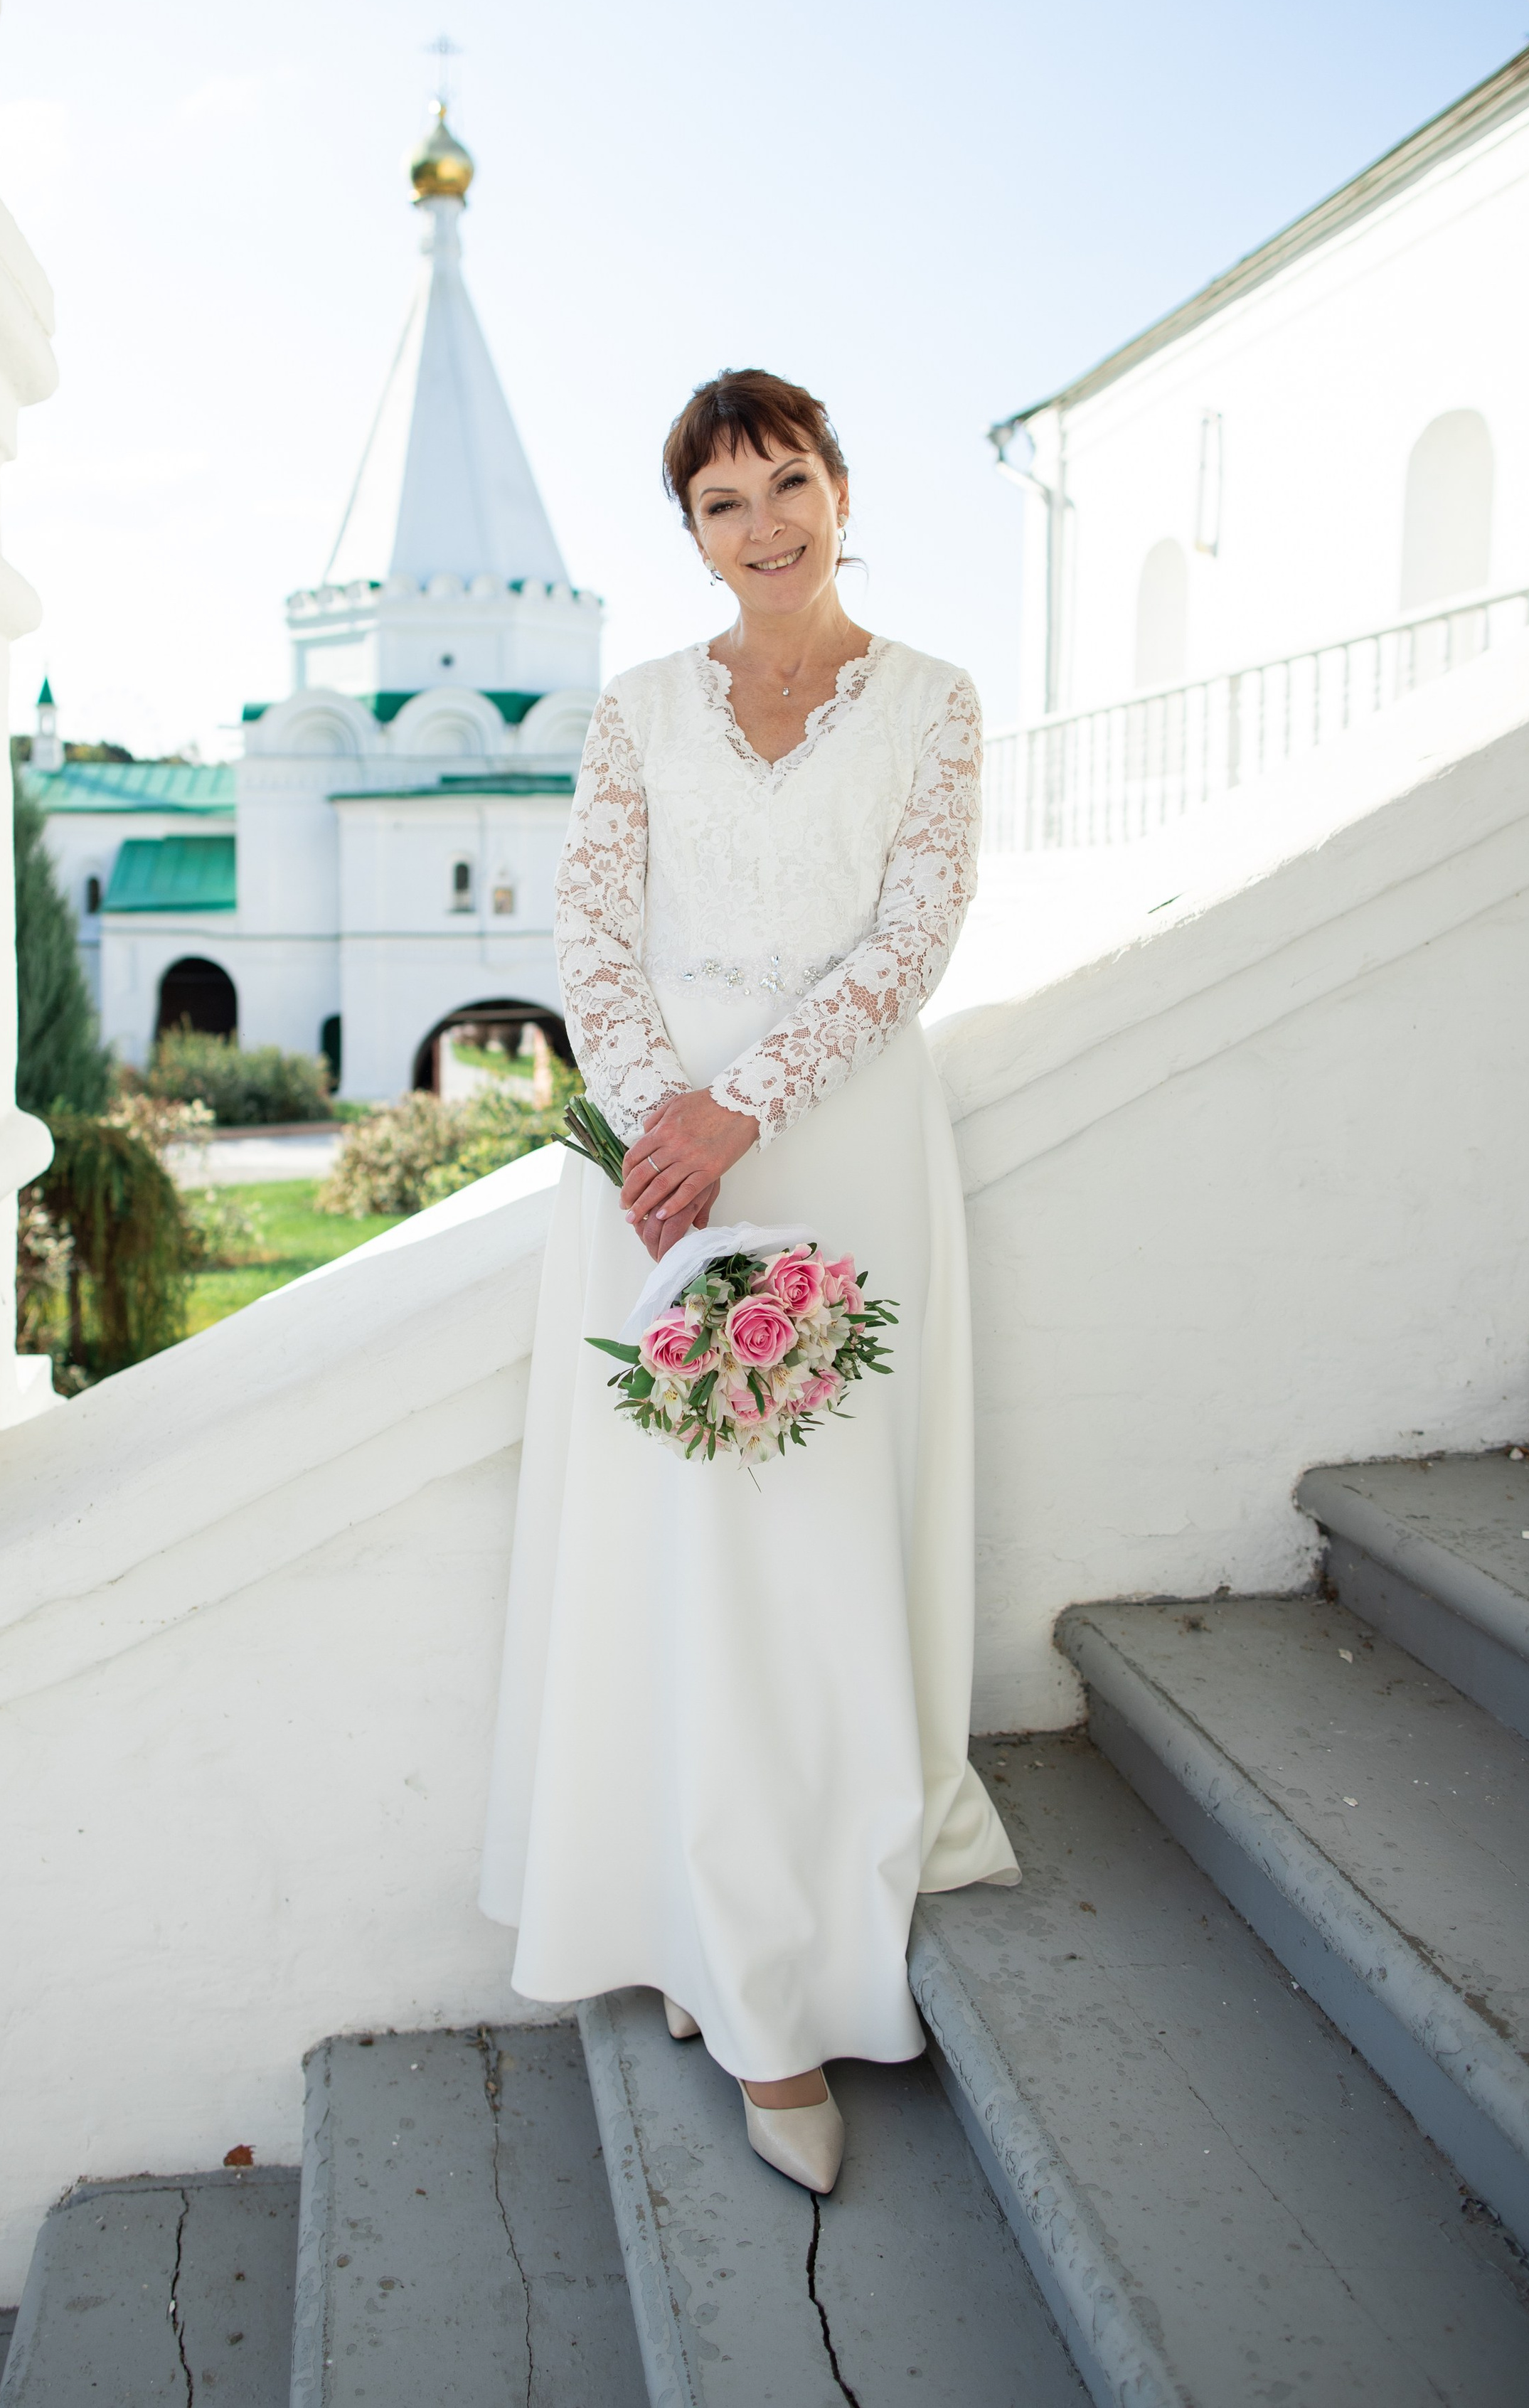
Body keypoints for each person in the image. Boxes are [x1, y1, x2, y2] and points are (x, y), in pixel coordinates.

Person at [479, 368, 1018, 2193]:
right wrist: (663, 1129)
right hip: (655, 1181)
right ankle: (690, 1915)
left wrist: (743, 1106)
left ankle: (791, 1924)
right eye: (724, 501)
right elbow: (587, 934)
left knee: (818, 1529)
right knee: (683, 1539)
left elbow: (912, 935)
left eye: (787, 482)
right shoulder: (633, 710)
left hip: (841, 1147)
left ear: (840, 490)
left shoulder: (932, 703)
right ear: (691, 534)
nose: (763, 523)